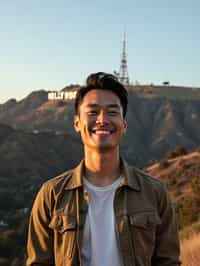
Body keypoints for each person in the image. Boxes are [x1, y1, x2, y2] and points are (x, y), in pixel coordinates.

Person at [26, 72, 181, 266]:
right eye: (92, 112)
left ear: (124, 125)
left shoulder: (155, 193)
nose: (102, 120)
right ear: (77, 123)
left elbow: (168, 262)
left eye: (112, 112)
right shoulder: (51, 195)